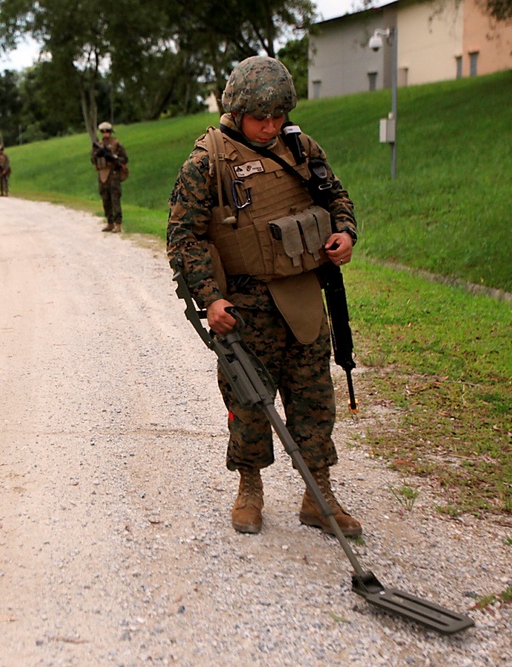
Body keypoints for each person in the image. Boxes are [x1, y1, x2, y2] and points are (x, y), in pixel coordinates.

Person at [166, 56, 361, 537]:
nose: (270, 125)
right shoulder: (206, 161)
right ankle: (249, 487)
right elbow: (183, 239)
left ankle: (320, 495)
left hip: (302, 298)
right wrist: (210, 298)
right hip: (246, 307)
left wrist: (345, 233)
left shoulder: (300, 147)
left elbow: (336, 197)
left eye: (278, 115)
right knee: (250, 402)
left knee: (314, 398)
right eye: (260, 117)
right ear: (236, 110)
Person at [92, 121, 128, 233]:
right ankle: (110, 222)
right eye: (103, 131)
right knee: (105, 199)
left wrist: (113, 159)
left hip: (113, 174)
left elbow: (125, 159)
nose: (105, 133)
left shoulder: (116, 144)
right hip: (102, 174)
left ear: (110, 132)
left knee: (115, 198)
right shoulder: (99, 145)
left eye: (107, 131)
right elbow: (93, 160)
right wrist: (97, 155)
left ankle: (118, 224)